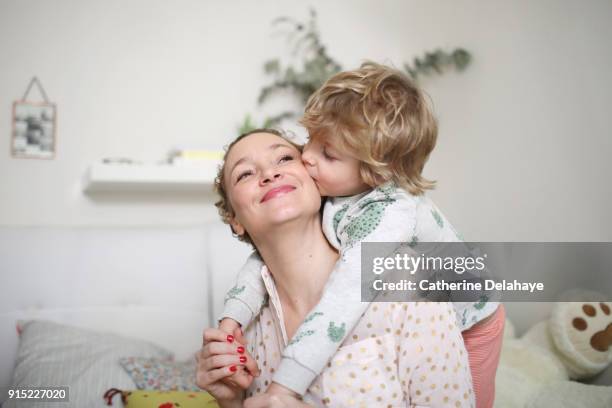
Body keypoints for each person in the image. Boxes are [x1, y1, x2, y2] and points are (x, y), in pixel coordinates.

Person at [217, 63, 505, 407]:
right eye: (308, 142)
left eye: (286, 158)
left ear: (372, 174)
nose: (306, 158)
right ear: (235, 219)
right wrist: (231, 319)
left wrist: (285, 387)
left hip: (475, 317)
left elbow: (348, 292)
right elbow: (261, 262)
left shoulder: (390, 217)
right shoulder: (333, 188)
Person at [196, 130, 474, 407]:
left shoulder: (407, 281)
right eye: (245, 173)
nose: (269, 174)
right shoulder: (246, 331)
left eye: (284, 158)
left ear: (315, 179)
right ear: (234, 219)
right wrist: (231, 401)